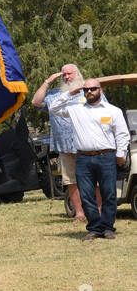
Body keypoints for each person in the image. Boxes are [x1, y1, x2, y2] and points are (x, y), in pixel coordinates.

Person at [50, 79, 129, 240]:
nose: (89, 92)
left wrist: (121, 154)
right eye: (85, 90)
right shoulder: (76, 109)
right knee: (86, 195)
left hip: (106, 156)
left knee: (109, 193)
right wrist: (70, 92)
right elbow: (54, 108)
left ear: (100, 90)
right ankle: (94, 228)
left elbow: (122, 133)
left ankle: (107, 228)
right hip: (83, 158)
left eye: (93, 89)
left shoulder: (113, 110)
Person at [32, 64, 87, 223]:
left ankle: (96, 211)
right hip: (64, 146)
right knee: (71, 181)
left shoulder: (89, 90)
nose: (66, 77)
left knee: (91, 179)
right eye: (64, 75)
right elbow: (36, 101)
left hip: (86, 145)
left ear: (77, 74)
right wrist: (48, 81)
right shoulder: (54, 94)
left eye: (69, 74)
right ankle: (80, 214)